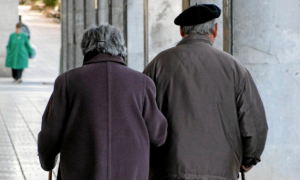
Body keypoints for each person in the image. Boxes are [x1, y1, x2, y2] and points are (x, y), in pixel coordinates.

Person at [143, 4, 268, 180]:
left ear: (181, 31)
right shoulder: (234, 68)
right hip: (222, 171)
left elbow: (141, 117)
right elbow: (255, 124)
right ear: (215, 30)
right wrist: (249, 158)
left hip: (169, 170)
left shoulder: (157, 65)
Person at [38, 25, 168, 180]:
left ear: (86, 48)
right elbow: (158, 135)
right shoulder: (142, 83)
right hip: (131, 172)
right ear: (121, 48)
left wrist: (48, 162)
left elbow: (51, 134)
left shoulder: (68, 81)